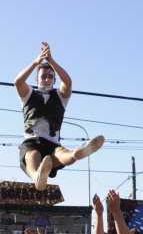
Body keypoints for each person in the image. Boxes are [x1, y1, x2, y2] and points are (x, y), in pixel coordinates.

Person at [14, 42, 104, 190]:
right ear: (37, 80)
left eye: (51, 77)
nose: (47, 79)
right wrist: (37, 62)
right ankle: (37, 176)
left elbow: (68, 82)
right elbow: (18, 81)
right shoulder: (28, 94)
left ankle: (77, 153)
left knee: (61, 153)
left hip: (52, 143)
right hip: (32, 140)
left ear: (55, 81)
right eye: (43, 76)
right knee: (33, 155)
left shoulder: (60, 97)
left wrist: (51, 61)